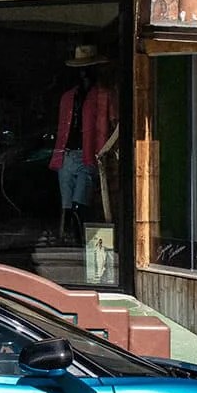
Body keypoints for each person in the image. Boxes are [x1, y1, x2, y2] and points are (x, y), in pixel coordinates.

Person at [49, 44, 116, 245]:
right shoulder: (68, 97)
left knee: (80, 204)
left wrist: (105, 151)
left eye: (88, 67)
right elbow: (63, 127)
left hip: (88, 155)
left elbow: (115, 125)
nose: (84, 72)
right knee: (67, 206)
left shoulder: (105, 95)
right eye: (81, 68)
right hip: (67, 155)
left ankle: (81, 245)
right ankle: (70, 242)